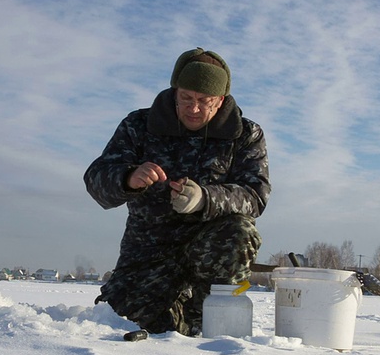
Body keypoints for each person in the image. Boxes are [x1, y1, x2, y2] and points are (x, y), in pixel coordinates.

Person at [83, 47, 271, 337]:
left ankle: (206, 319)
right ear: (174, 92)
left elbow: (254, 196)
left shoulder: (245, 134)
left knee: (240, 230)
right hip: (148, 251)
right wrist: (128, 177)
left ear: (220, 101)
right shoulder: (138, 125)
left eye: (203, 101)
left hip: (210, 252)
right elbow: (95, 179)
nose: (193, 109)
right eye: (186, 98)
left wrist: (205, 199)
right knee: (122, 322)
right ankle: (174, 314)